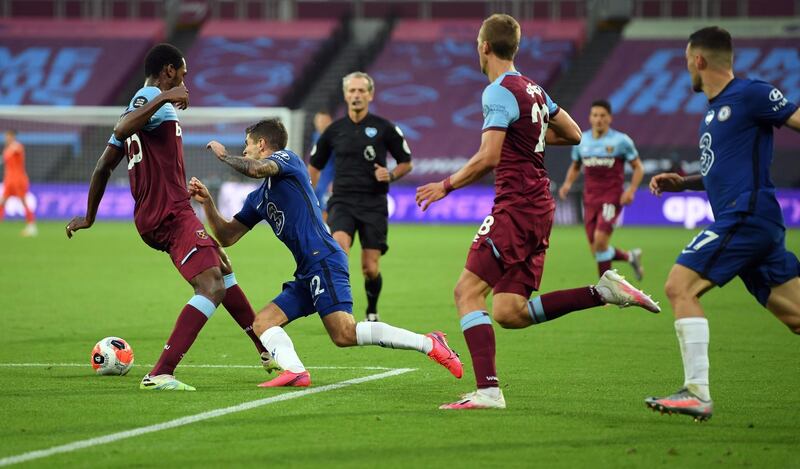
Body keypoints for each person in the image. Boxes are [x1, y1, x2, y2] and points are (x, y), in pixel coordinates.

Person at [416, 14, 660, 410]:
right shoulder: (534, 88)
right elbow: (575, 134)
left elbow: (489, 156)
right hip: (540, 205)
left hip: (517, 206)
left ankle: (489, 392)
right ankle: (602, 291)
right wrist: (532, 137)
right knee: (509, 311)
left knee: (466, 292)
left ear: (483, 47)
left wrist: (445, 185)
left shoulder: (497, 91)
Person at [65, 43, 277, 391]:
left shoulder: (144, 109)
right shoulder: (148, 99)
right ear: (168, 71)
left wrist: (89, 216)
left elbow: (105, 164)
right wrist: (164, 97)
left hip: (157, 213)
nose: (184, 80)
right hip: (169, 212)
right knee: (210, 286)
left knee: (222, 265)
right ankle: (161, 372)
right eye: (182, 72)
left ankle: (264, 347)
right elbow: (120, 129)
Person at [190, 118, 462, 387]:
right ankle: (296, 371)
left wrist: (225, 156)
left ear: (262, 144)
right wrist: (209, 205)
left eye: (247, 144)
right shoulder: (258, 198)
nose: (245, 149)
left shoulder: (288, 161)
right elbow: (227, 236)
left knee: (344, 333)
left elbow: (257, 169)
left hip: (324, 258)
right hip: (307, 270)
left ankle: (429, 343)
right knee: (263, 323)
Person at [645, 26, 800, 421]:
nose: (687, 72)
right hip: (749, 225)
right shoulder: (714, 111)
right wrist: (685, 183)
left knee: (678, 286)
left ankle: (696, 392)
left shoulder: (751, 94)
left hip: (746, 217)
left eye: (687, 63)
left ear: (699, 60)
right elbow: (724, 170)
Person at [308, 72, 413, 322]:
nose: (356, 95)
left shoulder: (385, 128)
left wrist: (390, 174)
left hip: (373, 204)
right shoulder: (333, 131)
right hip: (342, 201)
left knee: (370, 268)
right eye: (352, 91)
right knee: (339, 250)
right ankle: (340, 310)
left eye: (361, 91)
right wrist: (309, 197)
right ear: (345, 95)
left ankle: (372, 311)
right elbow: (314, 165)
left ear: (370, 94)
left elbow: (406, 162)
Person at [558, 100, 645, 279]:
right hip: (590, 199)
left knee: (600, 242)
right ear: (590, 118)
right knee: (596, 249)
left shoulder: (621, 141)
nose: (599, 119)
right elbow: (576, 166)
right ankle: (630, 257)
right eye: (595, 115)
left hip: (611, 197)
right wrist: (567, 184)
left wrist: (631, 190)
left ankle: (606, 291)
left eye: (602, 116)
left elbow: (638, 167)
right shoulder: (582, 140)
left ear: (610, 118)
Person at [1, 130, 37, 236]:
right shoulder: (6, 149)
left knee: (23, 201)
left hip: (18, 179)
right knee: (2, 201)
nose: (7, 138)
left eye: (8, 136)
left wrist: (13, 146)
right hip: (9, 180)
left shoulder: (17, 146)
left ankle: (31, 226)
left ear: (13, 137)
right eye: (6, 136)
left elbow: (18, 149)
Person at [310, 110, 335, 221]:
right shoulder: (316, 136)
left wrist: (334, 181)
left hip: (329, 181)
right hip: (318, 182)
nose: (321, 123)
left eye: (324, 121)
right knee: (317, 212)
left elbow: (339, 162)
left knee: (326, 213)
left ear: (330, 122)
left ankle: (328, 237)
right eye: (319, 121)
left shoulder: (335, 139)